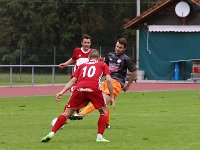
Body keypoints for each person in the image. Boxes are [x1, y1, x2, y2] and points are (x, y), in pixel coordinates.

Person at [41, 49, 114, 143]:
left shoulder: (82, 66)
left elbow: (72, 81)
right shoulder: (102, 64)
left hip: (79, 89)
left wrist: (61, 92)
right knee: (104, 111)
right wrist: (111, 96)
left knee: (66, 113)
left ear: (88, 57)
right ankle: (99, 137)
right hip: (94, 89)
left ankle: (51, 133)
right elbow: (108, 80)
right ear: (99, 58)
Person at [70, 38, 137, 128]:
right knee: (102, 103)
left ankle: (82, 113)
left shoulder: (126, 59)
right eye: (117, 46)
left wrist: (127, 85)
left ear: (124, 49)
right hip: (106, 82)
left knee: (101, 101)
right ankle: (106, 123)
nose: (117, 49)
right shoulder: (109, 55)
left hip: (117, 83)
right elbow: (102, 68)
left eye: (120, 47)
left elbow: (134, 72)